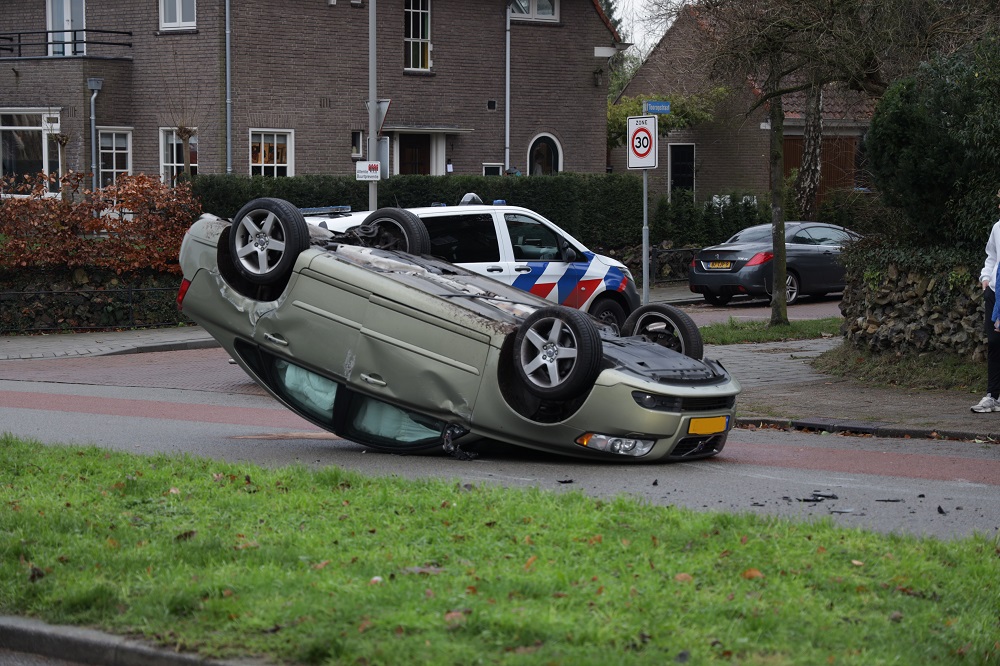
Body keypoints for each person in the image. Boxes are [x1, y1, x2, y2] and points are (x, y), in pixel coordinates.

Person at [972, 195, 1000, 412]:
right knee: (994, 342)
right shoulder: (997, 228)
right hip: (994, 293)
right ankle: (992, 395)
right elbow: (991, 256)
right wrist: (986, 278)